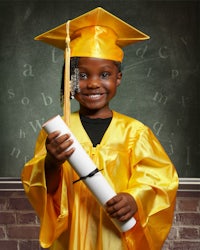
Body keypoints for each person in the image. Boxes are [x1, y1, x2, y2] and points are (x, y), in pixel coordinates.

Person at [21, 7, 179, 250]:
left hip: (115, 237)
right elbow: (41, 191)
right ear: (70, 81)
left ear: (118, 78)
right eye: (82, 76)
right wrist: (51, 164)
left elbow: (160, 181)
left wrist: (134, 199)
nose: (93, 83)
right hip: (71, 239)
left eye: (104, 74)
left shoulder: (135, 133)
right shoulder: (58, 133)